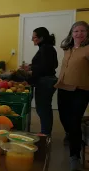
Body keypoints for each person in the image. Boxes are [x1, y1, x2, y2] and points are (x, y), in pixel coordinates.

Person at [55, 21, 89, 171]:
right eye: (76, 31)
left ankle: (74, 156)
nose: (79, 34)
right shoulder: (67, 49)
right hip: (63, 88)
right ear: (72, 33)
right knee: (63, 118)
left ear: (87, 33)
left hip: (81, 90)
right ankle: (73, 136)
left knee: (74, 120)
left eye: (83, 31)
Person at [30, 27, 58, 135]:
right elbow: (45, 64)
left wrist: (30, 71)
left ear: (41, 38)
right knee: (44, 108)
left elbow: (44, 67)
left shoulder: (46, 48)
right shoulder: (46, 48)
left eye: (34, 37)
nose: (32, 39)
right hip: (47, 81)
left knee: (43, 109)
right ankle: (46, 133)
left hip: (45, 82)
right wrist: (31, 67)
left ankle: (45, 134)